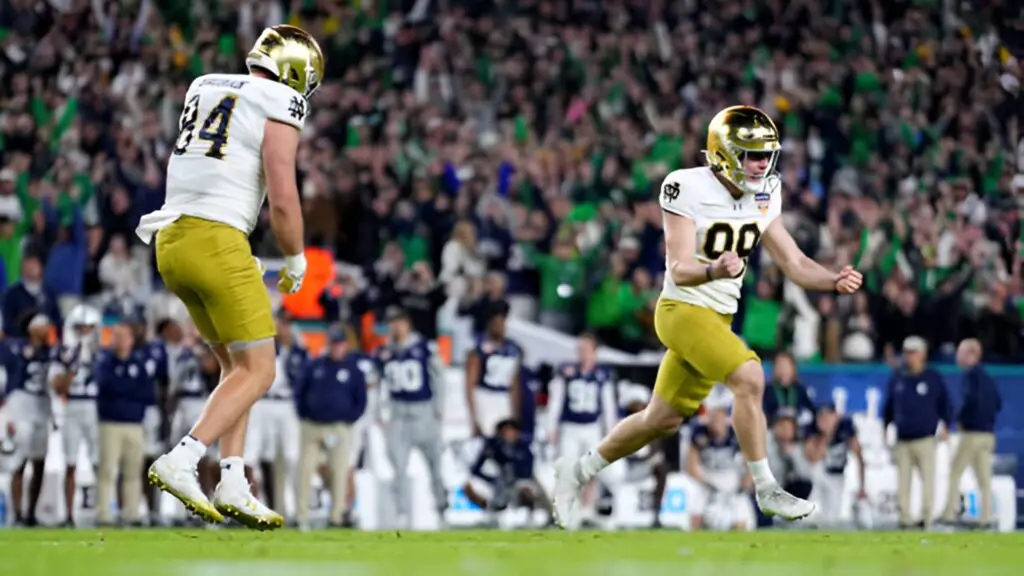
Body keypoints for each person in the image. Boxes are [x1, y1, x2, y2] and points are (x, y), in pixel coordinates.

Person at [551, 105, 864, 529]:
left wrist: (833, 280)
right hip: (681, 309)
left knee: (659, 419)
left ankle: (576, 473)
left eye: (765, 154)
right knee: (750, 377)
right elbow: (679, 267)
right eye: (751, 154)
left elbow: (793, 262)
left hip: (716, 321)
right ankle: (766, 487)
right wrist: (714, 270)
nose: (761, 164)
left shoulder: (765, 192)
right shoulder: (684, 186)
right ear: (723, 152)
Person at [136, 25, 324, 529]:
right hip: (217, 239)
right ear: (297, 73)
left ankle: (233, 479)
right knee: (261, 370)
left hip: (172, 241)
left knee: (236, 369)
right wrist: (296, 257)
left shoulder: (204, 84)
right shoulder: (282, 100)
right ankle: (184, 457)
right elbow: (282, 194)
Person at [377, 307, 448, 529]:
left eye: (399, 322)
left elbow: (440, 379)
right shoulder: (385, 351)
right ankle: (401, 515)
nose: (396, 327)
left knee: (435, 466)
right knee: (397, 467)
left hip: (423, 411)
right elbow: (378, 384)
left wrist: (438, 410)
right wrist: (380, 413)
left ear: (407, 323)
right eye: (392, 322)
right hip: (398, 413)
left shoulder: (425, 347)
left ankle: (442, 510)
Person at [294, 327, 369, 530]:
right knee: (305, 469)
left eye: (340, 343)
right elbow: (300, 392)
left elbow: (361, 400)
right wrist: (305, 415)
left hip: (339, 427)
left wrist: (347, 419)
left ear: (345, 345)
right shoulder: (315, 365)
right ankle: (301, 517)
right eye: (334, 343)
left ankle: (336, 516)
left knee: (340, 471)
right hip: (312, 426)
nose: (337, 347)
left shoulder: (353, 369)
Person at [545, 332, 617, 526]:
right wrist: (551, 426)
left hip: (592, 427)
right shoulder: (567, 372)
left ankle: (587, 510)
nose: (583, 354)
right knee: (568, 469)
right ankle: (567, 512)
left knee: (590, 470)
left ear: (595, 352)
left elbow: (608, 405)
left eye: (586, 350)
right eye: (580, 350)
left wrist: (610, 430)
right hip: (570, 427)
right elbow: (556, 401)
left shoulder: (602, 374)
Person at [883, 335, 951, 530]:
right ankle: (905, 519)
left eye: (913, 353)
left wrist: (946, 424)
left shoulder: (932, 378)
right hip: (903, 438)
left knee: (927, 480)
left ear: (923, 354)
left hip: (925, 438)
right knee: (903, 482)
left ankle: (926, 518)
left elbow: (944, 403)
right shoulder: (898, 379)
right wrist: (885, 426)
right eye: (907, 353)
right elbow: (889, 407)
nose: (909, 357)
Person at [244, 311, 307, 519]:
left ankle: (297, 508)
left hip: (287, 404)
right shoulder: (264, 349)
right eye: (280, 323)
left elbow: (303, 381)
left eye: (286, 324)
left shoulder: (299, 352)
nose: (282, 328)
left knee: (291, 455)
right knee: (255, 454)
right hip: (263, 401)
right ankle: (254, 504)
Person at [94, 323, 155, 526]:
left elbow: (147, 393)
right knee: (107, 470)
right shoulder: (105, 362)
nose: (119, 340)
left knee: (133, 472)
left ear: (131, 339)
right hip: (110, 423)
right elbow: (106, 386)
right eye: (116, 336)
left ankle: (132, 513)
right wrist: (129, 389)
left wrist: (124, 389)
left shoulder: (139, 363)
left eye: (123, 336)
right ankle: (103, 513)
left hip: (134, 424)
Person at [48, 304, 103, 527]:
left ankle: (102, 511)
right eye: (79, 327)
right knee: (70, 462)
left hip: (95, 407)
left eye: (88, 328)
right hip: (72, 407)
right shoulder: (63, 353)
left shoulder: (103, 354)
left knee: (100, 462)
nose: (84, 332)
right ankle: (69, 514)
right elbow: (57, 387)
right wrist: (71, 370)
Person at [941, 338, 1001, 527]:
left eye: (961, 353)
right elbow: (998, 403)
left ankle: (949, 513)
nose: (958, 357)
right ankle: (986, 517)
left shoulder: (971, 376)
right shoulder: (988, 377)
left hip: (972, 433)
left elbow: (970, 400)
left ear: (972, 354)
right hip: (988, 434)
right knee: (984, 478)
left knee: (955, 471)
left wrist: (960, 420)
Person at [3, 312, 54, 526]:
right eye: (42, 325)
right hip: (21, 403)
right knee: (19, 461)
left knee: (39, 460)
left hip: (42, 404)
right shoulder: (15, 347)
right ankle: (17, 513)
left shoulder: (51, 352)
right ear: (31, 328)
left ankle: (31, 513)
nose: (47, 329)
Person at [686, 406, 755, 531]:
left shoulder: (736, 432)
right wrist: (705, 484)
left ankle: (738, 544)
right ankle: (697, 539)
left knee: (742, 520)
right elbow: (690, 466)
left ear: (725, 417)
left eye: (719, 416)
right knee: (695, 514)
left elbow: (752, 462)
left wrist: (744, 484)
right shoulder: (699, 432)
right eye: (712, 416)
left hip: (731, 477)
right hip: (707, 476)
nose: (715, 420)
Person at [465, 300, 524, 437]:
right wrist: (474, 418)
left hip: (504, 399)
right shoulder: (480, 350)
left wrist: (516, 413)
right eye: (496, 322)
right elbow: (470, 385)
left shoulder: (513, 350)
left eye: (502, 322)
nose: (500, 326)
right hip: (485, 397)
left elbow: (514, 384)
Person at [805, 404, 866, 527]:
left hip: (838, 476)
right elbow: (813, 458)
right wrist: (826, 436)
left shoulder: (846, 427)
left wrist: (862, 487)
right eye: (821, 418)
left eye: (828, 416)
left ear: (836, 416)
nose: (825, 421)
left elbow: (859, 457)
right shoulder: (812, 429)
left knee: (832, 517)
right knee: (812, 509)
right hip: (817, 473)